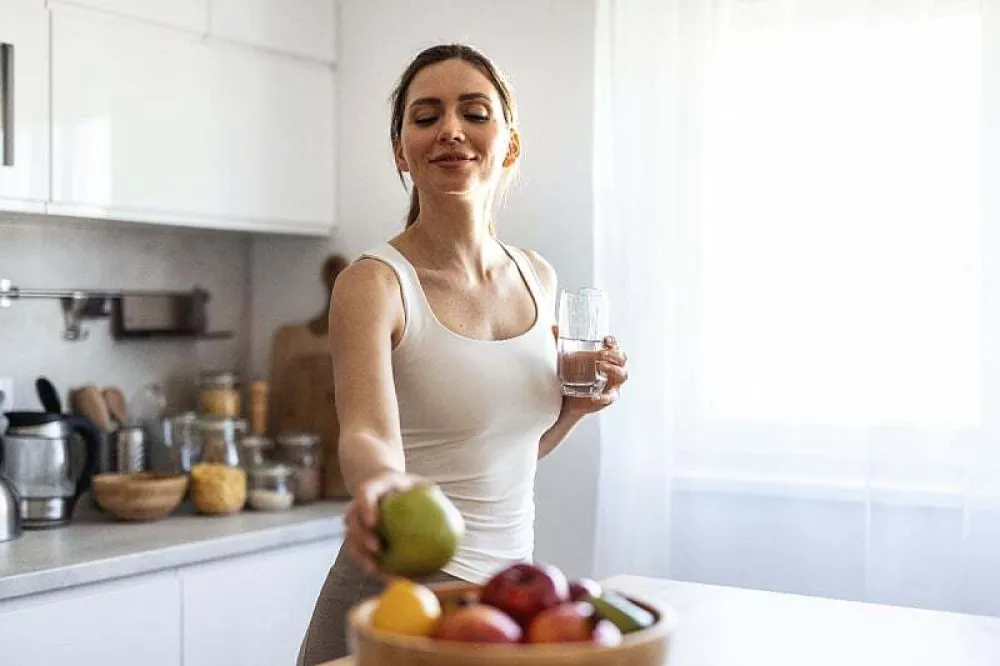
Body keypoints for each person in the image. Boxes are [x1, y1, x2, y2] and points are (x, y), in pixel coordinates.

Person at [296, 43, 629, 665]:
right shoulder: (374, 284)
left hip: (506, 605)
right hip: (397, 602)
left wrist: (576, 408)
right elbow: (367, 434)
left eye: (474, 112)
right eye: (426, 117)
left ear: (511, 143)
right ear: (402, 150)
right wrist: (382, 487)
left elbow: (498, 458)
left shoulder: (538, 277)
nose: (451, 129)